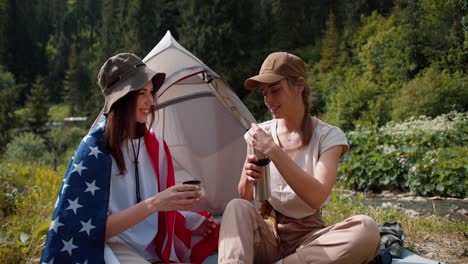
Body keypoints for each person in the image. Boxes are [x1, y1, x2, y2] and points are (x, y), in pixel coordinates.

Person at [41, 53, 219, 263]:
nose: (150, 101)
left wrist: (188, 219)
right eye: (141, 93)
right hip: (109, 249)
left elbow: (153, 212)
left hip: (148, 249)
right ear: (122, 97)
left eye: (151, 92)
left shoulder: (156, 145)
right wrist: (154, 203)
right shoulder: (95, 150)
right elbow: (87, 230)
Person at [218, 52, 380, 264]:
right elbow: (245, 196)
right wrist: (248, 178)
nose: (268, 101)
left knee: (366, 231)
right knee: (236, 207)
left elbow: (317, 197)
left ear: (299, 86)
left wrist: (274, 150)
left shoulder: (328, 136)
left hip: (309, 241)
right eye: (264, 93)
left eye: (275, 90)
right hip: (269, 236)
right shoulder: (261, 133)